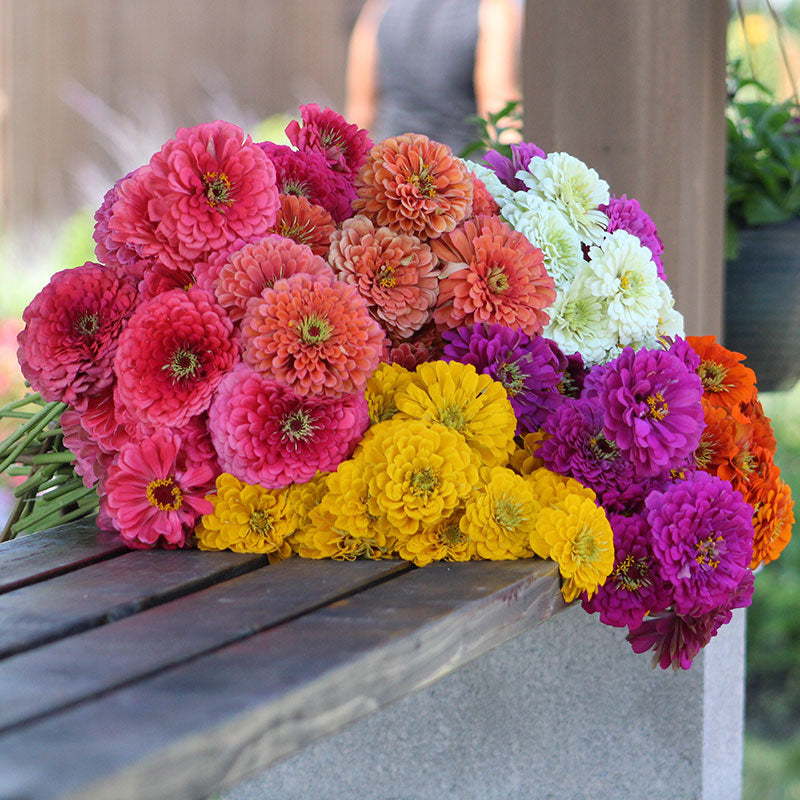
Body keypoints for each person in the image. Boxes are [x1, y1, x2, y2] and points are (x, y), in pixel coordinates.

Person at [346, 0, 522, 155]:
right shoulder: (492, 10)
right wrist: (521, 177)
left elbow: (360, 113)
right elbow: (498, 111)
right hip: (458, 178)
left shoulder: (378, 7)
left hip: (389, 175)